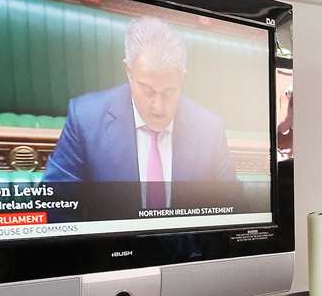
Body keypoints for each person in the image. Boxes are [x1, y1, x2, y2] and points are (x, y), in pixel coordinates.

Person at [45, 16, 238, 205]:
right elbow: (56, 205)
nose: (158, 107)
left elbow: (234, 207)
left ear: (182, 78)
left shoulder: (211, 129)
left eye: (169, 92)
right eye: (147, 90)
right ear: (128, 72)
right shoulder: (85, 119)